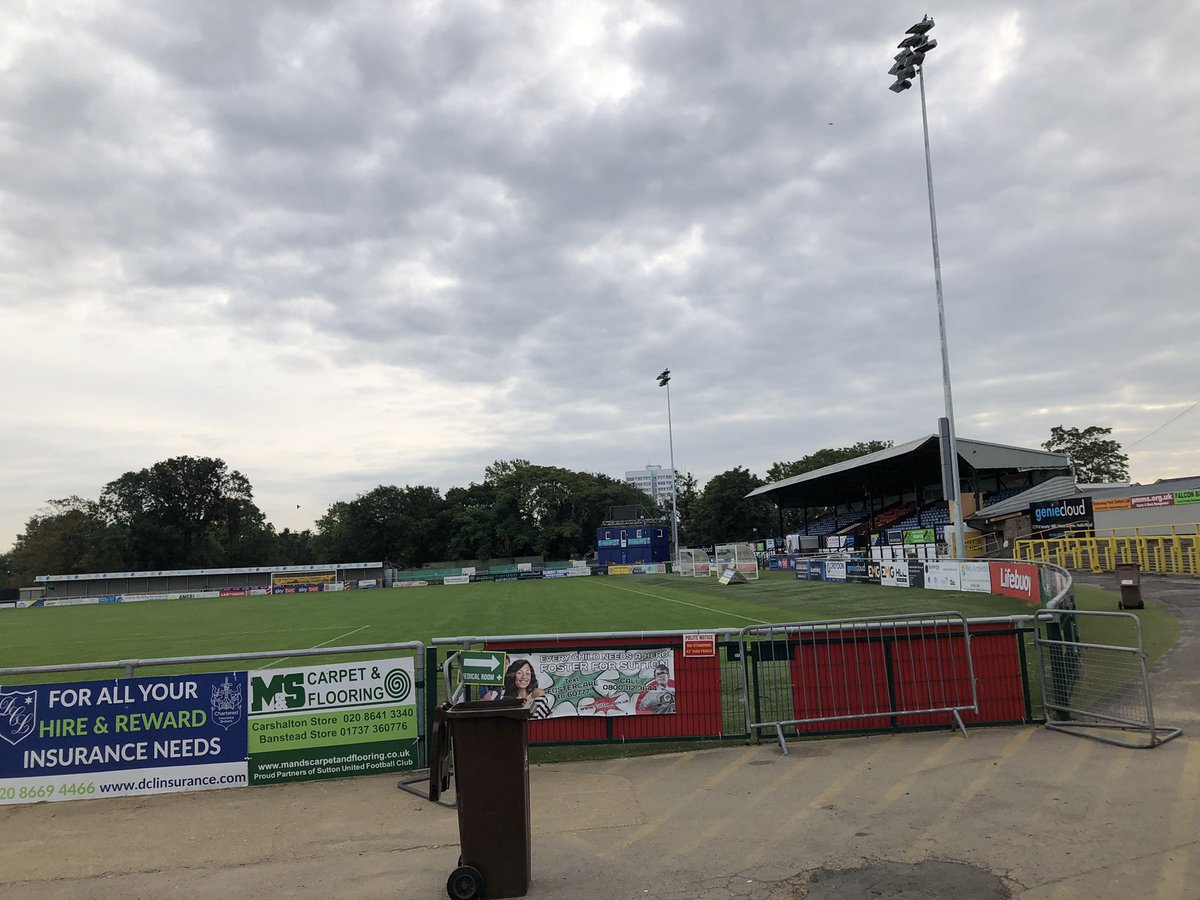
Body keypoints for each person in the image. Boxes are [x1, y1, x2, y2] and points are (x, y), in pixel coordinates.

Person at [481, 658, 550, 717]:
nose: (524, 677)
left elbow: (539, 719)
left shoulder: (537, 693)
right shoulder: (505, 697)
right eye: (519, 673)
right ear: (513, 676)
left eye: (527, 673)